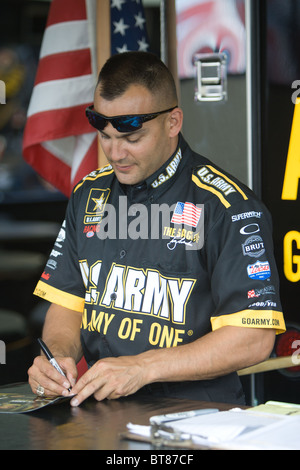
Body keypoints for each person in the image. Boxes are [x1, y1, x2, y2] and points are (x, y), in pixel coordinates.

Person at [28, 51, 285, 406]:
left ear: (173, 122)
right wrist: (56, 359)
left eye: (132, 138)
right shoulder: (88, 195)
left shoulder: (227, 207)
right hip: (101, 412)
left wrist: (143, 367)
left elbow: (253, 338)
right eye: (105, 135)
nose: (115, 152)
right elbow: (68, 302)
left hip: (198, 418)